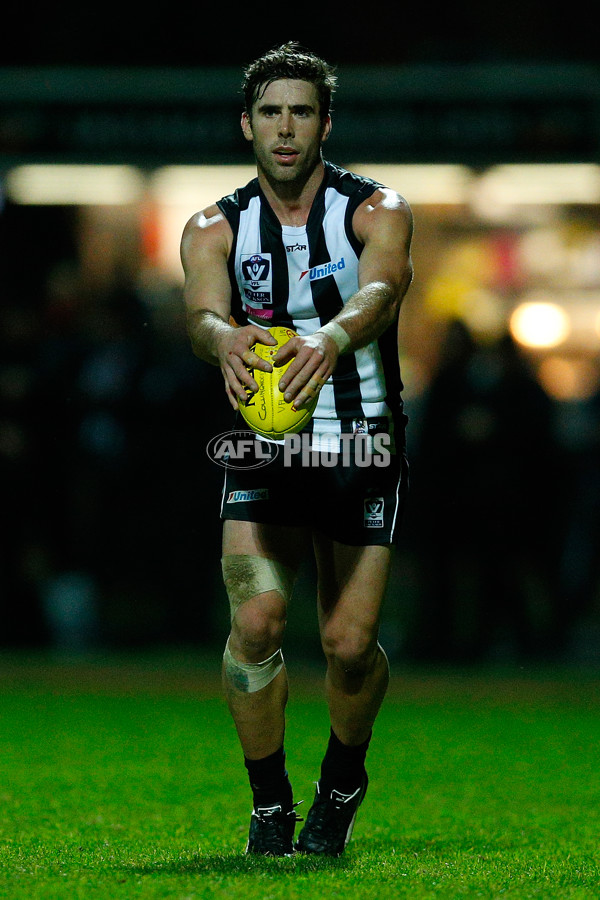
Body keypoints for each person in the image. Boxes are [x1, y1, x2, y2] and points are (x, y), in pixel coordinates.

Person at [181, 41, 414, 857]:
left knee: (347, 644)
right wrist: (225, 338)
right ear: (248, 124)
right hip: (265, 450)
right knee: (257, 619)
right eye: (272, 112)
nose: (286, 129)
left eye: (302, 113)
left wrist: (334, 336)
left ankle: (343, 783)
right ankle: (271, 805)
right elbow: (202, 314)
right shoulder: (215, 224)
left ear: (324, 125)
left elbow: (384, 288)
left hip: (359, 439)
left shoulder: (373, 207)